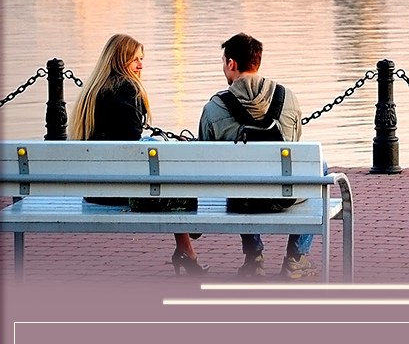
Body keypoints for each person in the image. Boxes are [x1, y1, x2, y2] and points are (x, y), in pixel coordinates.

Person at [69, 33, 208, 277]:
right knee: (177, 183)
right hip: (118, 192)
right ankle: (190, 228)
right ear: (120, 61)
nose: (141, 65)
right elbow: (134, 152)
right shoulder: (128, 93)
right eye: (135, 60)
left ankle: (186, 250)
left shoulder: (92, 93)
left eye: (141, 59)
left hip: (93, 189)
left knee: (167, 172)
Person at [198, 32, 317, 280]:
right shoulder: (288, 97)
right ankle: (296, 258)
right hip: (284, 196)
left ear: (231, 63)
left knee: (240, 178)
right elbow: (295, 142)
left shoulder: (213, 108)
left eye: (223, 62)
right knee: (319, 168)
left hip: (241, 200)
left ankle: (254, 258)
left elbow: (204, 159)